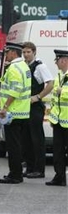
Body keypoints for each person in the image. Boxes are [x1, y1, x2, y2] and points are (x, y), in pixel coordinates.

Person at [0, 42, 32, 184]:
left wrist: (5, 107)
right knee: (18, 144)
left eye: (7, 52)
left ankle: (15, 174)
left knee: (13, 146)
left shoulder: (13, 68)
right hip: (23, 112)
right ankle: (17, 173)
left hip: (13, 113)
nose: (6, 55)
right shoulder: (24, 66)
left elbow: (15, 90)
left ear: (13, 53)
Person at [21, 41, 54, 179]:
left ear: (34, 52)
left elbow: (50, 83)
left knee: (37, 139)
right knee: (27, 139)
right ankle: (30, 167)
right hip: (24, 107)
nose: (26, 54)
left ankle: (39, 170)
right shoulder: (24, 66)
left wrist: (38, 97)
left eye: (28, 52)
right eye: (24, 52)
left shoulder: (40, 67)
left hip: (35, 107)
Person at [45, 49, 68, 187]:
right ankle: (59, 177)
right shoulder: (59, 75)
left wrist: (63, 92)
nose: (56, 63)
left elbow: (61, 94)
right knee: (57, 151)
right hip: (59, 120)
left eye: (57, 60)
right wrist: (52, 118)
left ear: (64, 61)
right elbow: (54, 99)